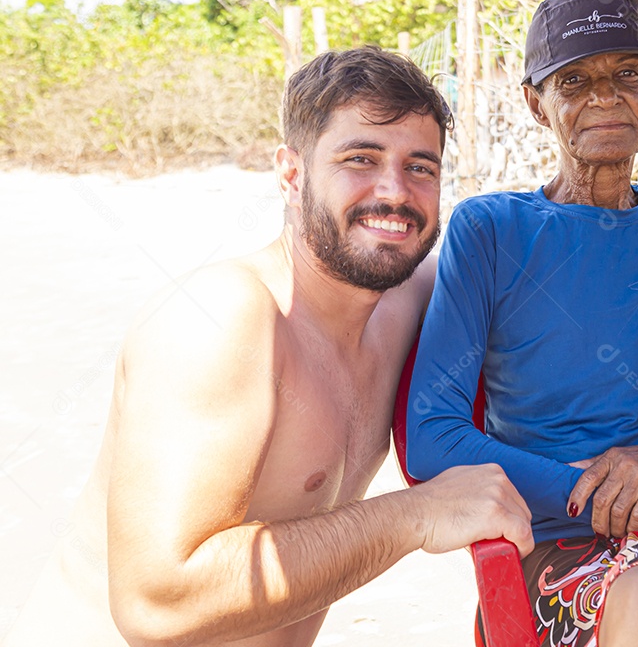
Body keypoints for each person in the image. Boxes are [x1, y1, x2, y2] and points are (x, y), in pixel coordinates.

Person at [5, 45, 533, 647]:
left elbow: (548, 278)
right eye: (360, 158)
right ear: (291, 174)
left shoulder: (408, 301)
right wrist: (416, 515)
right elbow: (157, 605)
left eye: (422, 167)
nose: (394, 192)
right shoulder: (224, 318)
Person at [407, 0, 638, 647]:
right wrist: (601, 495)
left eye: (626, 74)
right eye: (576, 80)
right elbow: (431, 434)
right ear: (536, 102)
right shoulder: (493, 232)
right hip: (551, 537)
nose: (606, 96)